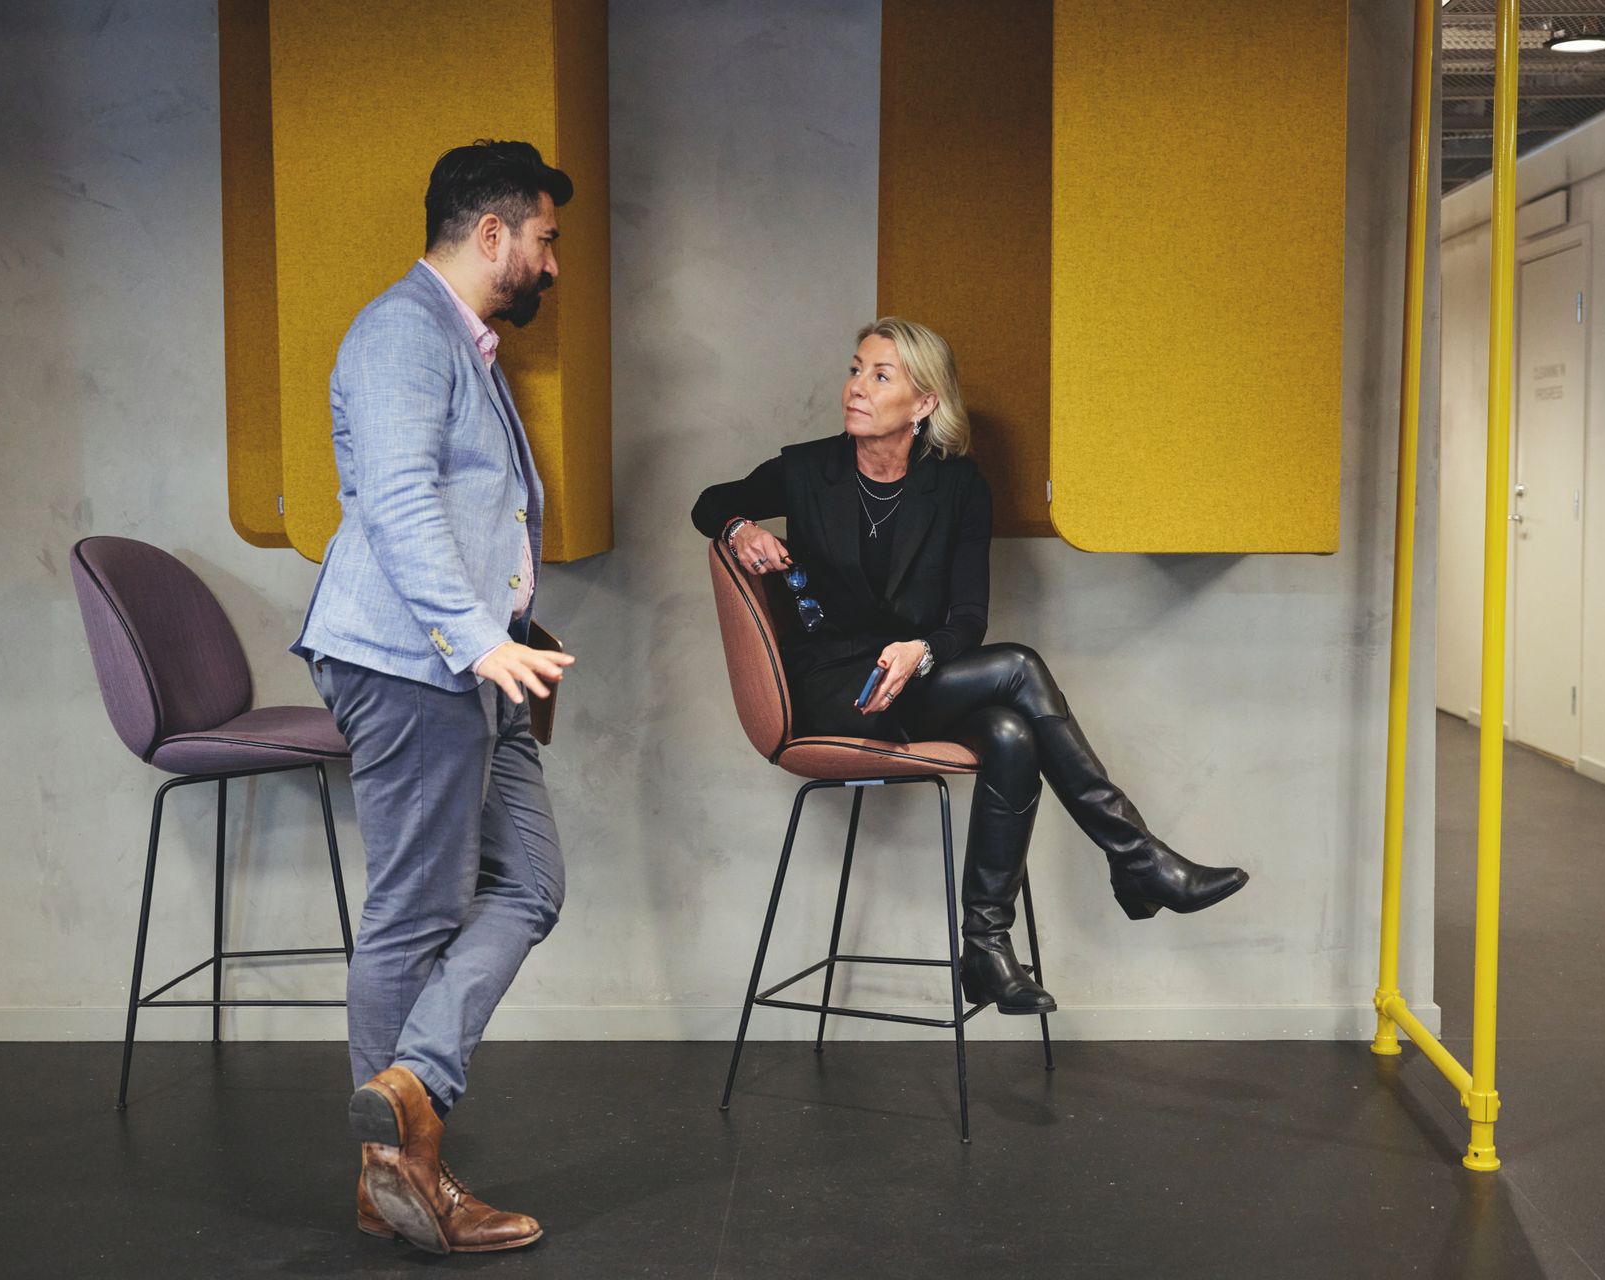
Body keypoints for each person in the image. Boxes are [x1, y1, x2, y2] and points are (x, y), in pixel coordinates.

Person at [691, 318, 1249, 1015]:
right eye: (856, 369)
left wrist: (920, 652)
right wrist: (740, 527)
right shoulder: (807, 471)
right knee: (1018, 667)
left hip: (912, 681)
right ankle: (1137, 859)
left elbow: (966, 619)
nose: (856, 387)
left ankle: (985, 948)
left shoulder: (957, 488)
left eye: (880, 375)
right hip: (832, 687)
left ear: (924, 403)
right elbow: (710, 503)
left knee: (1012, 735)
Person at [292, 140, 576, 1255]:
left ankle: (408, 1091)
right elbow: (400, 501)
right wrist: (479, 637)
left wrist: (503, 636)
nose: (552, 263)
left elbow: (459, 509)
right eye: (545, 239)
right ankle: (394, 1180)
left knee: (531, 884)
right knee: (415, 910)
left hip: (470, 662)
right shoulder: (402, 331)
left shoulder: (462, 343)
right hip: (414, 662)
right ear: (493, 232)